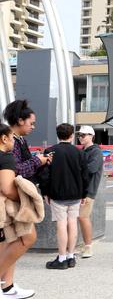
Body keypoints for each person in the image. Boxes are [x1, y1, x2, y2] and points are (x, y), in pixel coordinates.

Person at [1, 101, 47, 295]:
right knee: (17, 241)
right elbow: (14, 173)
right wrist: (38, 161)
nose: (33, 126)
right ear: (20, 121)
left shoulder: (18, 141)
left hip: (13, 200)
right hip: (12, 200)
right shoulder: (10, 146)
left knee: (12, 242)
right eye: (31, 122)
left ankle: (8, 286)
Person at [40, 123, 89, 270]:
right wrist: (84, 194)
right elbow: (85, 176)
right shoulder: (80, 153)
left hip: (57, 194)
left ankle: (61, 258)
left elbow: (45, 175)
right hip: (75, 194)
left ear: (57, 135)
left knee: (61, 224)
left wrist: (45, 192)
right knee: (72, 223)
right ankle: (71, 256)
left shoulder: (50, 151)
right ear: (72, 135)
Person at [0, 124, 36, 298]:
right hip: (5, 210)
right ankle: (6, 287)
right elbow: (7, 188)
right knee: (27, 237)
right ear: (4, 138)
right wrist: (24, 199)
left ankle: (7, 287)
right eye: (11, 137)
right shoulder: (6, 157)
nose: (14, 141)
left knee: (7, 244)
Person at [77, 125, 103, 259]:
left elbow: (91, 169)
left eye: (84, 135)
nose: (81, 137)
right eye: (79, 135)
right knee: (80, 218)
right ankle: (85, 245)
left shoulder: (96, 152)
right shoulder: (84, 151)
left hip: (89, 190)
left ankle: (88, 247)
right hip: (81, 190)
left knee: (83, 217)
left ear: (91, 136)